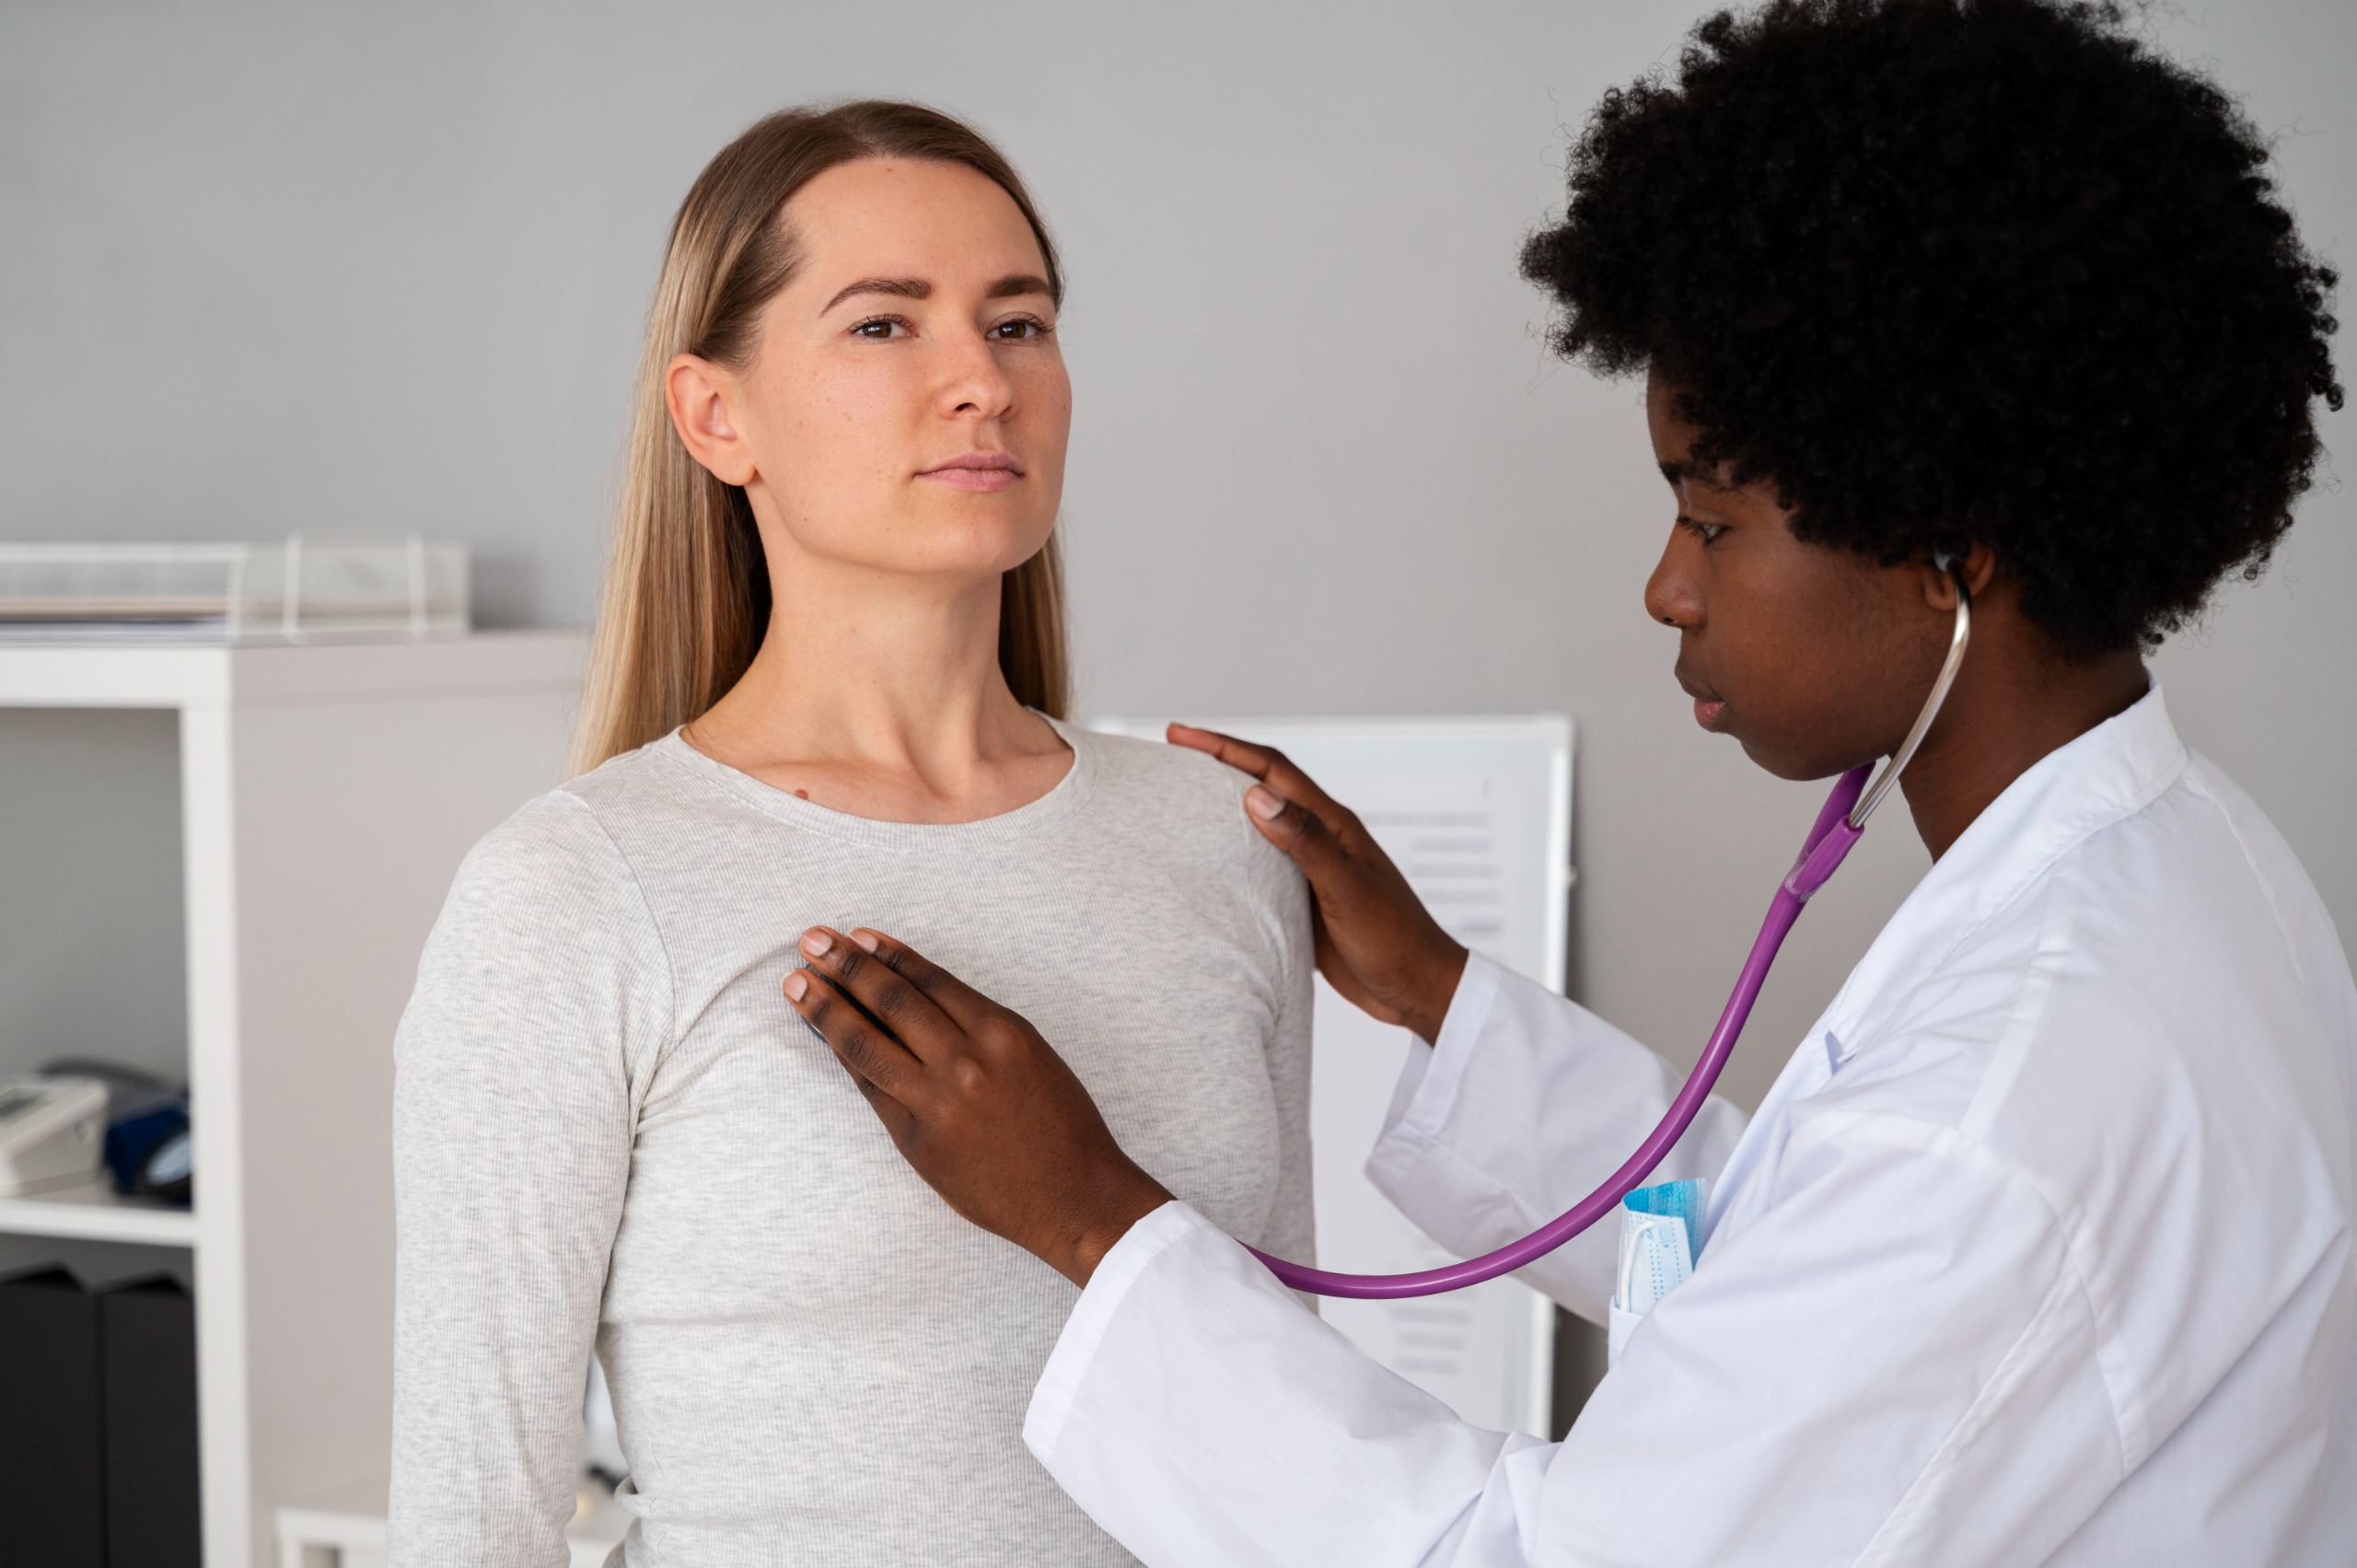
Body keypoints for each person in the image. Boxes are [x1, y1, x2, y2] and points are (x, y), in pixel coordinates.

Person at [779, 4, 2355, 1563]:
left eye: (1713, 518)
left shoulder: (2006, 1106)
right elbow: (1793, 1271)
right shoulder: (2195, 862)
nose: (1668, 587)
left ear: (1950, 548)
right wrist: (1435, 992)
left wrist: (1085, 1216)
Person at [389, 102, 1314, 1567]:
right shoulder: (574, 893)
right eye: (885, 325)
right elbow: (471, 1520)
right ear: (717, 416)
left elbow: (1295, 1434)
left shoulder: (1223, 843)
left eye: (1018, 324)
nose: (982, 383)